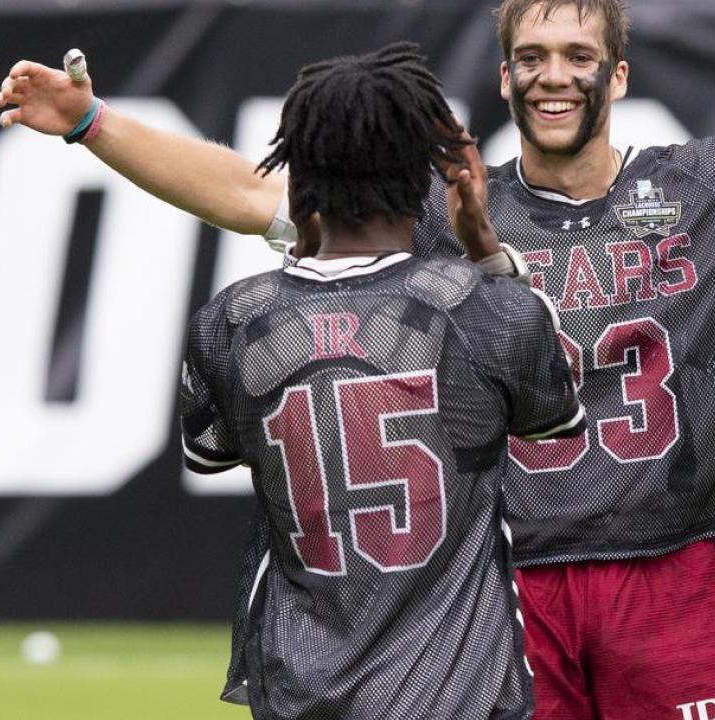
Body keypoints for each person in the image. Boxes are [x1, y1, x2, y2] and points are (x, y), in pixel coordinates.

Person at [0, 1, 715, 717]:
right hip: (497, 590)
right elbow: (253, 196)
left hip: (663, 570)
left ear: (616, 75)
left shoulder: (711, 186)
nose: (553, 74)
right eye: (531, 56)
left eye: (578, 55)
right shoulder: (436, 211)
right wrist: (92, 122)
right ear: (506, 74)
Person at [176, 42, 584, 719]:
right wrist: (481, 247)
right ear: (425, 175)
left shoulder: (232, 322)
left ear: (298, 171)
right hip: (459, 698)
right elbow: (552, 417)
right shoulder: (489, 312)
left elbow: (210, 452)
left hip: (300, 693)